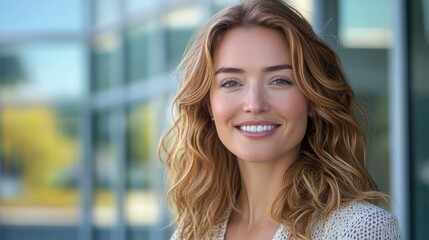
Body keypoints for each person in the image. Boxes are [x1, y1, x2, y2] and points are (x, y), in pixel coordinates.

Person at [159, 0, 402, 239]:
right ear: (208, 105)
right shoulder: (191, 234)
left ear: (312, 99)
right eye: (231, 83)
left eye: (280, 81)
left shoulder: (361, 230)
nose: (254, 104)